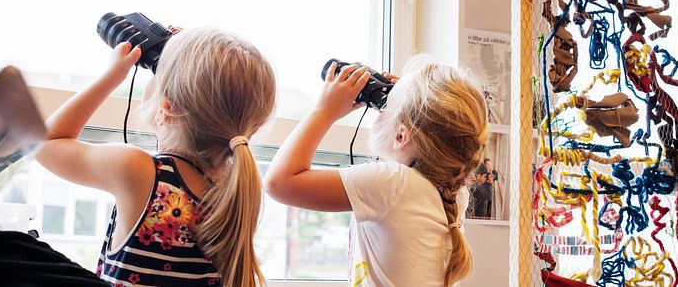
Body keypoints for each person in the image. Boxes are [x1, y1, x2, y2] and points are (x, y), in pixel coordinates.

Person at [36, 28, 276, 287]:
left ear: (166, 109)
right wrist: (181, 58)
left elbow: (45, 143)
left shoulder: (140, 173)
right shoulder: (236, 191)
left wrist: (113, 75)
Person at [264, 57, 489, 287]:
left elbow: (279, 182)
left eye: (385, 106)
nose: (381, 108)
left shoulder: (394, 184)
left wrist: (324, 110)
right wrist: (411, 103)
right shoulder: (452, 193)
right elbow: (426, 143)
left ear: (401, 136)